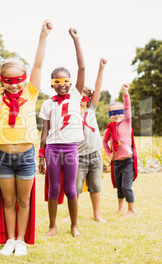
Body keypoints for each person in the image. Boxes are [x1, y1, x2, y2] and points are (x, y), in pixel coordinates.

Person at [0, 20, 51, 256]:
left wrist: (43, 34)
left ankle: (21, 239)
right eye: (8, 80)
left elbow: (39, 63)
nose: (14, 84)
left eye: (18, 79)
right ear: (2, 80)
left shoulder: (30, 93)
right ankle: (9, 239)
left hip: (26, 157)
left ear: (24, 78)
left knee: (24, 201)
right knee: (8, 201)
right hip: (2, 156)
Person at [39, 28, 85, 238]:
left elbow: (82, 67)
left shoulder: (75, 96)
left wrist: (75, 39)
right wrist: (41, 154)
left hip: (70, 148)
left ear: (70, 83)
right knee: (53, 189)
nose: (62, 85)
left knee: (71, 189)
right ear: (52, 84)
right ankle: (52, 225)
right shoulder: (48, 104)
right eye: (57, 81)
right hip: (52, 149)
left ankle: (74, 225)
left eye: (65, 81)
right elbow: (44, 131)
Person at [63, 58, 108, 223]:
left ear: (89, 100)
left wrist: (101, 68)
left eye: (85, 98)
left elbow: (97, 88)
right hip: (78, 156)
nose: (82, 101)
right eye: (79, 98)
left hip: (95, 155)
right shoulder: (70, 112)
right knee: (74, 189)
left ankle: (96, 215)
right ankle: (70, 215)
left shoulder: (91, 110)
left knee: (96, 188)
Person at [102, 83, 138, 218]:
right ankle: (121, 207)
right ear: (109, 115)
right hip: (117, 162)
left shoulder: (127, 122)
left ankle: (131, 210)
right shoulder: (109, 128)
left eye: (119, 112)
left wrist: (125, 92)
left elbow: (127, 106)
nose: (116, 115)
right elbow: (104, 142)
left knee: (126, 187)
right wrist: (109, 153)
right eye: (113, 113)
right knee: (119, 186)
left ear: (123, 113)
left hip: (128, 160)